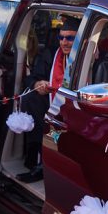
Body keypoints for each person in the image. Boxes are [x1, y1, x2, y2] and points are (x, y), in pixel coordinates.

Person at [20, 15, 81, 183]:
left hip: (76, 111)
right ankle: (37, 163)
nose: (64, 42)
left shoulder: (88, 58)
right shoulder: (52, 54)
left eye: (70, 38)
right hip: (51, 107)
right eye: (61, 37)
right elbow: (31, 79)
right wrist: (37, 83)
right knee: (32, 100)